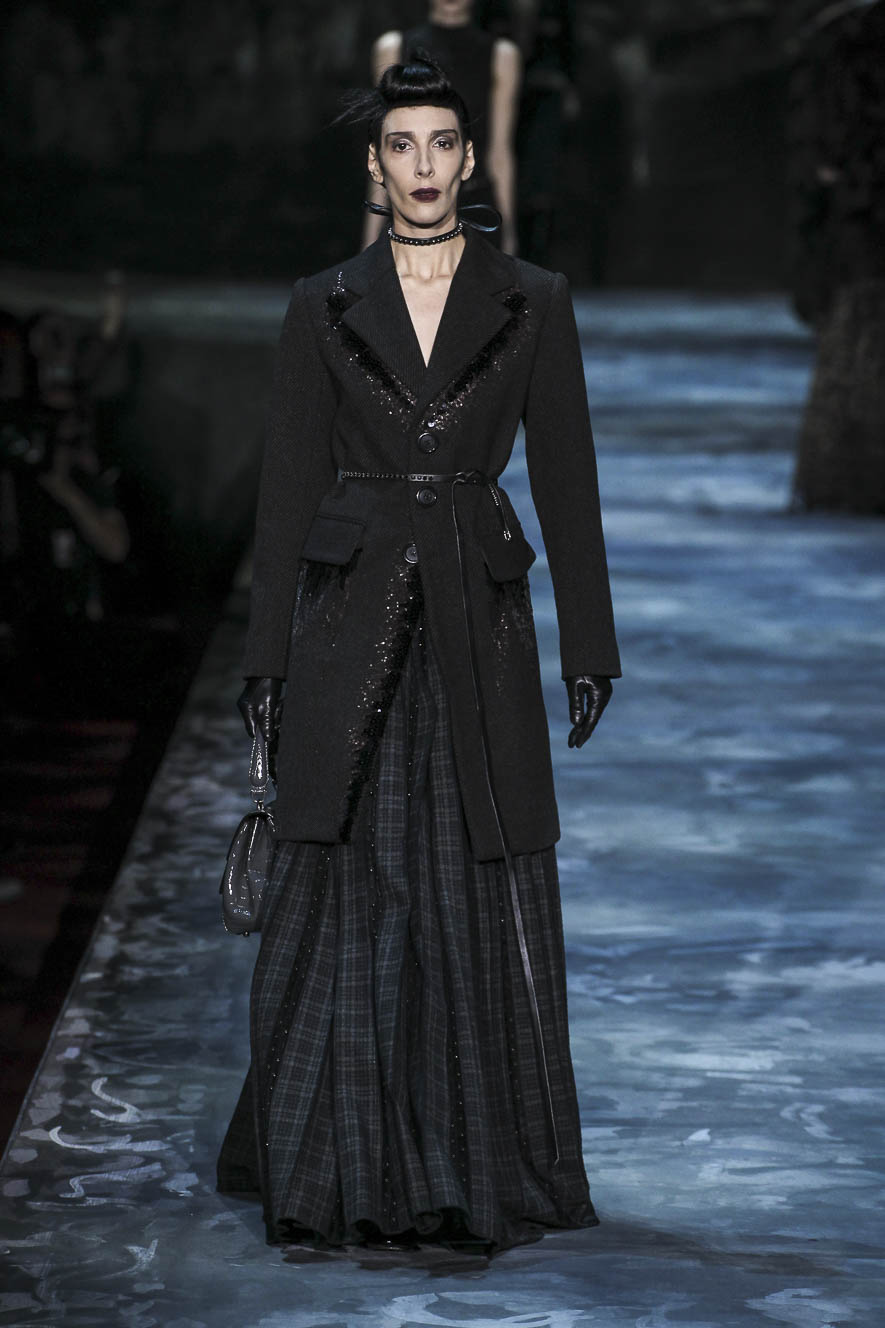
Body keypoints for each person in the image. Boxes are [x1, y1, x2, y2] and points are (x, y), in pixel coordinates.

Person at [217, 58, 621, 1256]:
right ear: (375, 164)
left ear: (471, 159)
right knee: (346, 886)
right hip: (349, 617)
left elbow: (568, 476)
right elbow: (288, 488)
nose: (426, 165)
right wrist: (265, 660)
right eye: (404, 145)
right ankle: (331, 1165)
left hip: (475, 619)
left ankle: (459, 1169)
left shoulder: (533, 299)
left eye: (444, 143)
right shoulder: (323, 304)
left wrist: (590, 642)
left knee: (466, 884)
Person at [362, 1, 520, 253]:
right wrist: (370, 239)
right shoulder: (393, 48)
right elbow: (384, 147)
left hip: (477, 209)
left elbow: (500, 151)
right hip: (406, 208)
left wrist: (508, 231)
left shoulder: (501, 55)